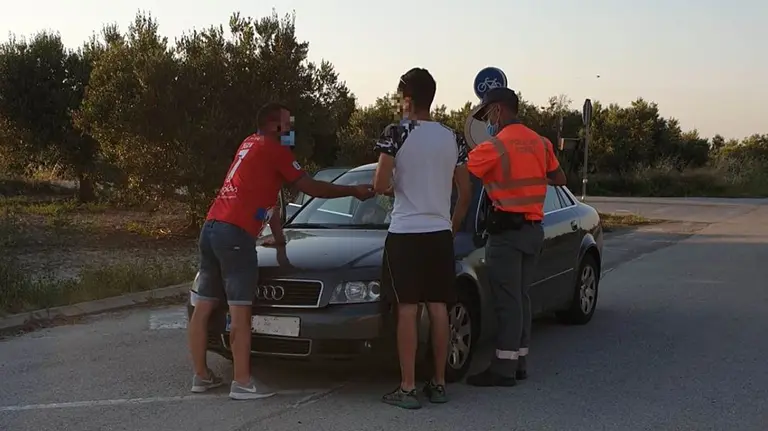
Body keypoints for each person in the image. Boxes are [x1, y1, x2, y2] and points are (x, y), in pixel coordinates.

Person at [187, 102, 375, 400]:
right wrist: (353, 191)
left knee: (204, 306)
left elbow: (268, 198)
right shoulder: (275, 149)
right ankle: (243, 382)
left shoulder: (249, 144)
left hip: (212, 227)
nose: (292, 130)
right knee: (240, 310)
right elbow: (312, 187)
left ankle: (201, 376)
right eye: (288, 125)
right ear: (275, 127)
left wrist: (279, 237)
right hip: (236, 234)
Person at [373, 68, 472, 409]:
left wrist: (391, 186)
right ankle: (440, 382)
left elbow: (379, 182)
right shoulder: (452, 137)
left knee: (407, 310)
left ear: (408, 99)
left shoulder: (396, 132)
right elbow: (465, 190)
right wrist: (453, 223)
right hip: (439, 233)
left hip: (405, 234)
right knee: (440, 308)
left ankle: (407, 386)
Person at [464, 87, 567, 387]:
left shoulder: (495, 146)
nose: (488, 121)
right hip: (534, 230)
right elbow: (559, 178)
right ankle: (519, 362)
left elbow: (460, 173)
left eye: (488, 114)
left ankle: (503, 369)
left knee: (507, 303)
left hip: (507, 233)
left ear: (498, 110)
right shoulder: (540, 143)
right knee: (521, 299)